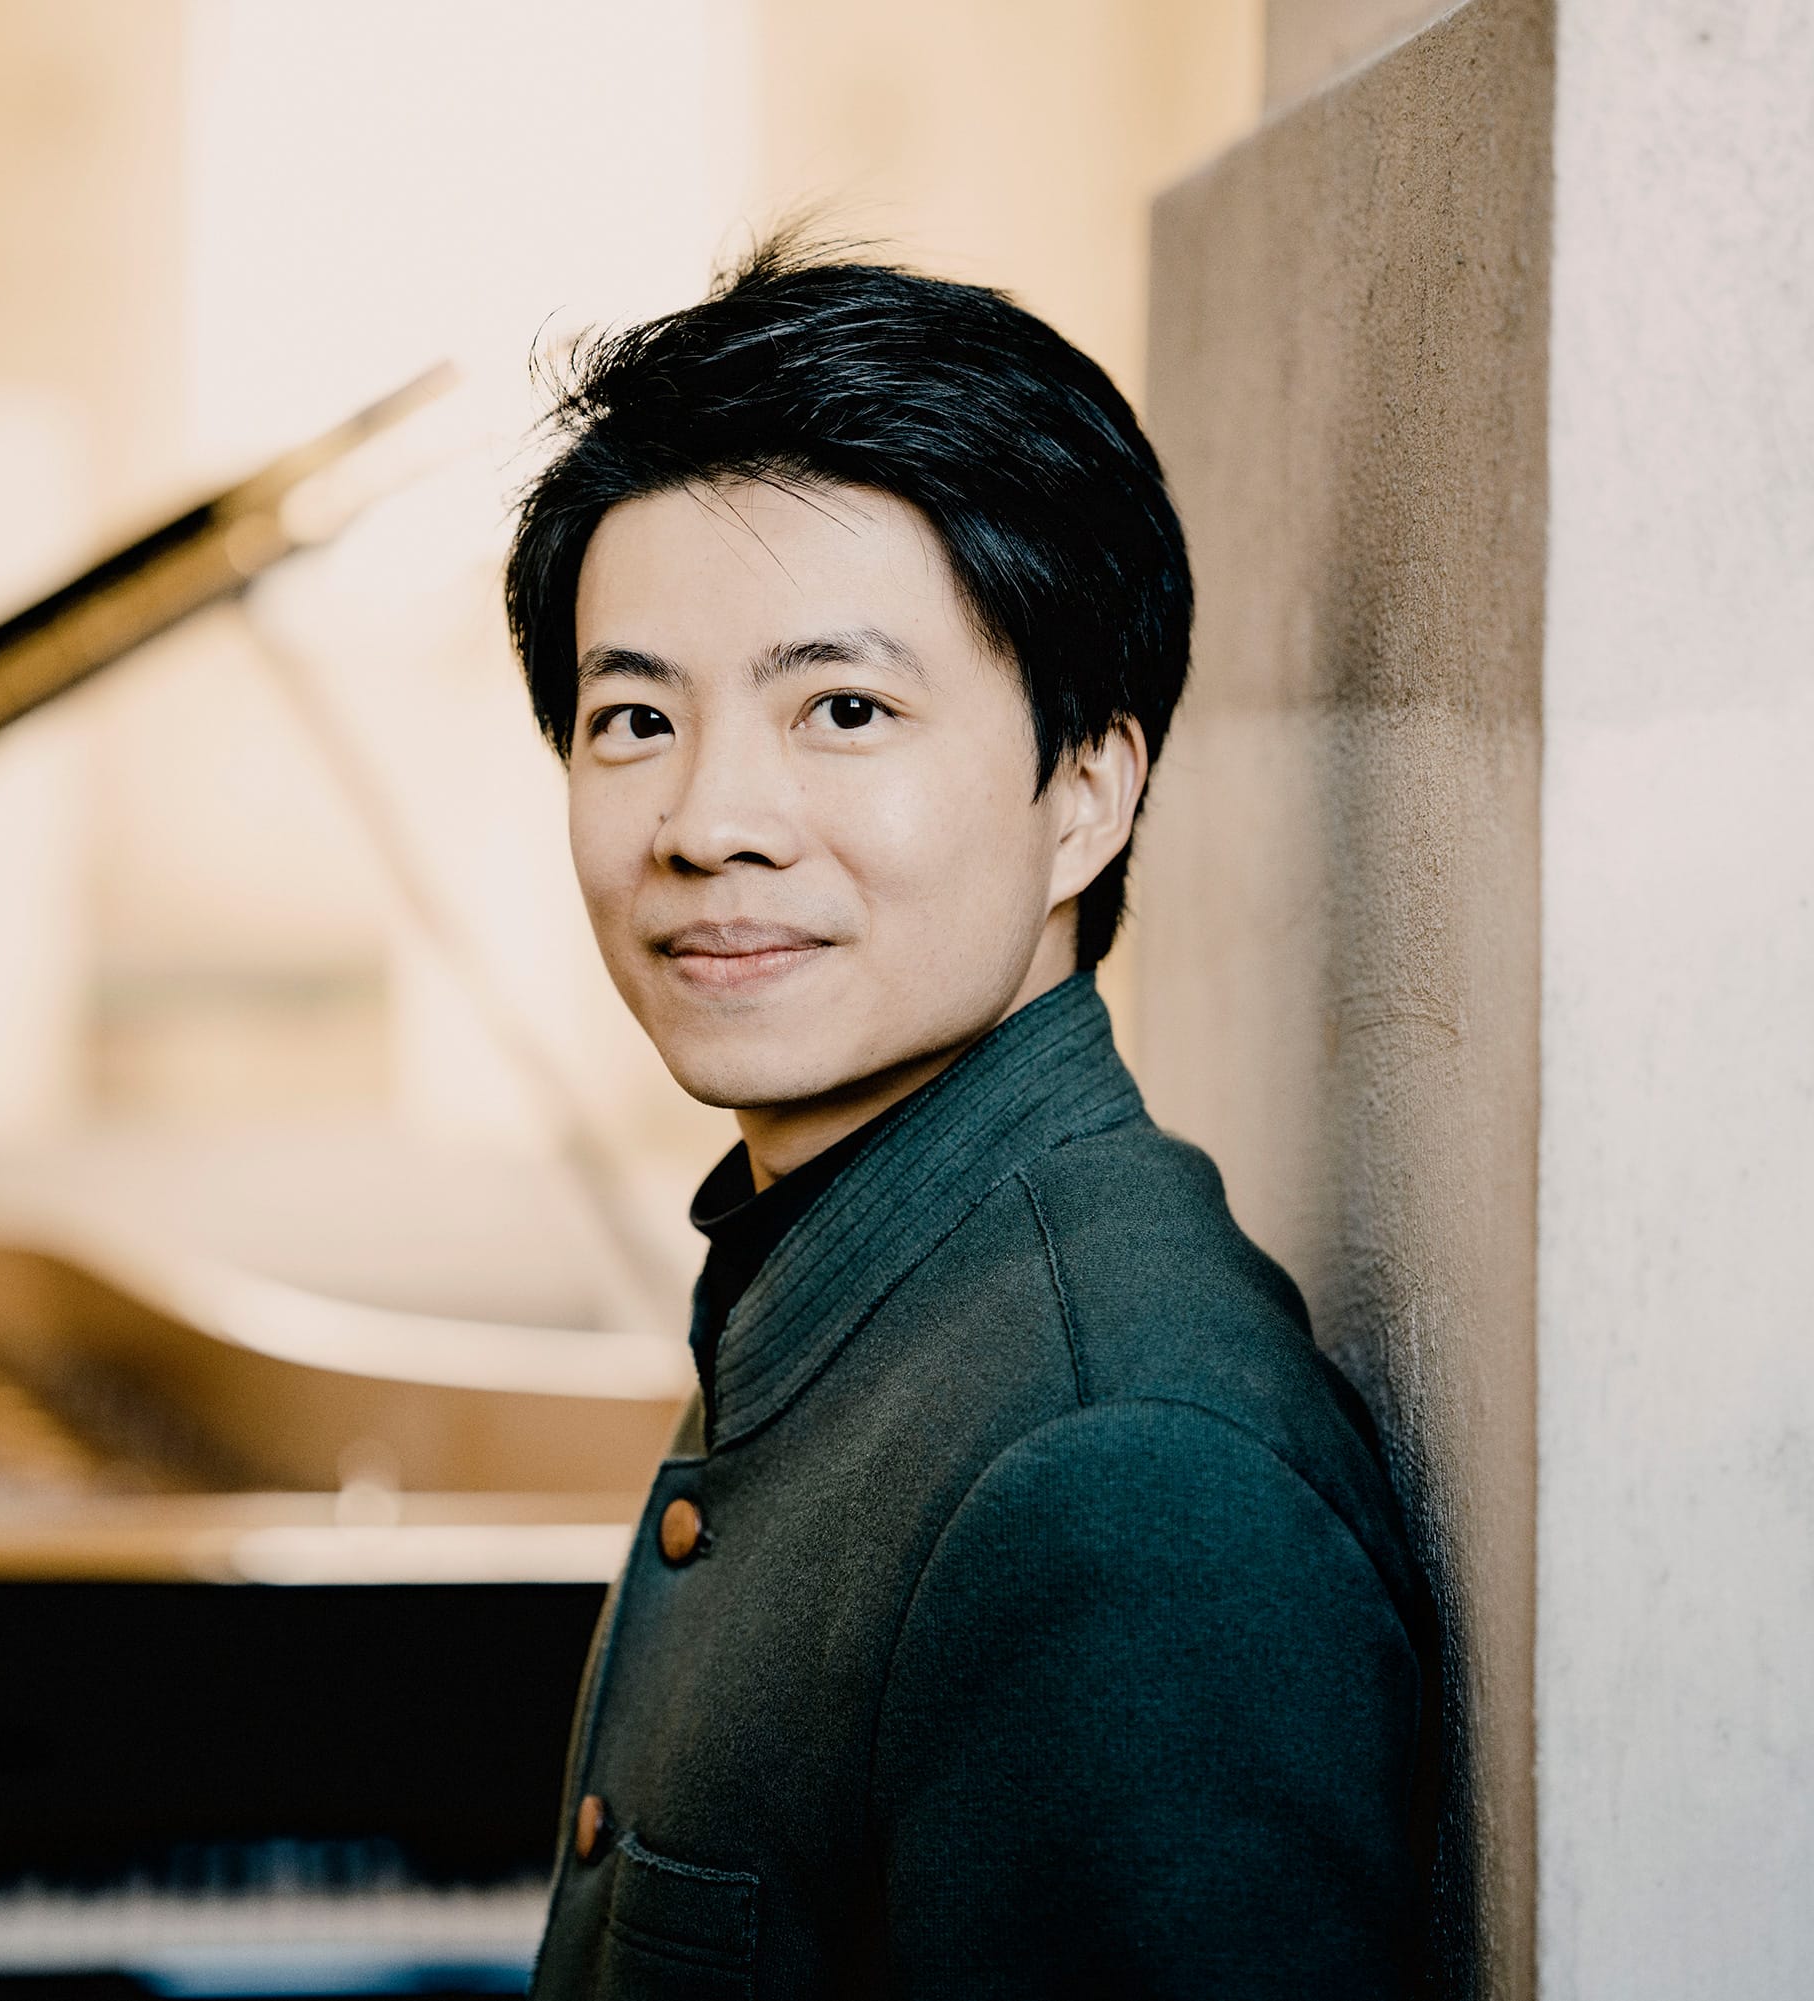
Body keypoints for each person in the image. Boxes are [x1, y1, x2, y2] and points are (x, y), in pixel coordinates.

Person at [507, 240, 1438, 1998]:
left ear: (1086, 790)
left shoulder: (1119, 1474)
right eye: (634, 717)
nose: (709, 820)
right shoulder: (866, 1277)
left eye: (844, 709)